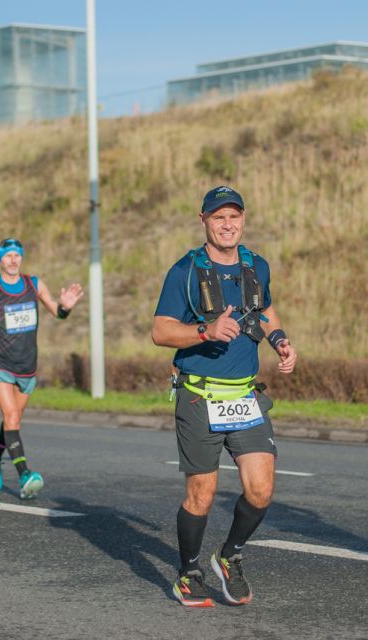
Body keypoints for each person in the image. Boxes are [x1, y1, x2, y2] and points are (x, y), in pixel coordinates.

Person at [152, 186, 297, 607]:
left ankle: (229, 556)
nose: (227, 224)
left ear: (244, 219)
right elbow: (161, 331)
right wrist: (205, 331)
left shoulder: (257, 266)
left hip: (245, 397)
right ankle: (189, 572)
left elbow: (266, 310)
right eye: (218, 218)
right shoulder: (184, 271)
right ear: (204, 221)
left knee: (261, 489)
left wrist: (281, 340)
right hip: (199, 397)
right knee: (202, 494)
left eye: (233, 216)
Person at [0, 238, 83, 500]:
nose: (13, 260)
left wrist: (66, 307)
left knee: (12, 418)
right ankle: (25, 475)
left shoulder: (34, 284)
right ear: (0, 259)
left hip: (27, 364)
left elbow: (57, 312)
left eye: (17, 255)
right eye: (8, 256)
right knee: (12, 417)